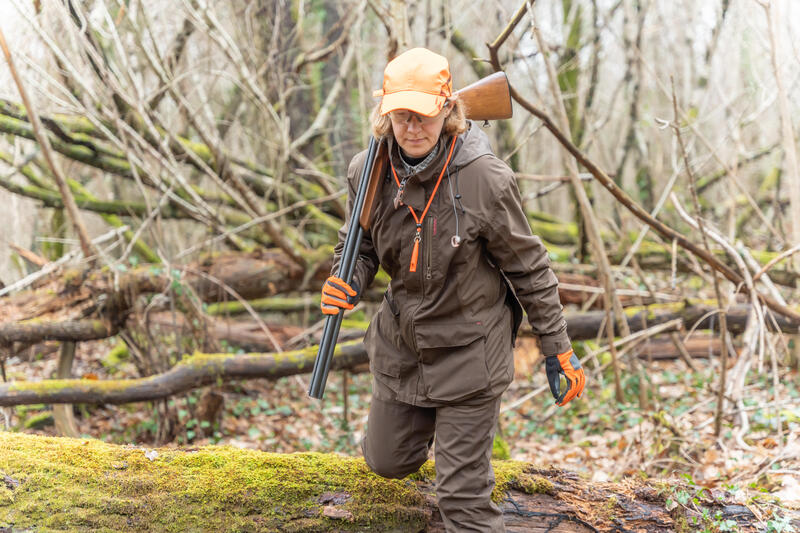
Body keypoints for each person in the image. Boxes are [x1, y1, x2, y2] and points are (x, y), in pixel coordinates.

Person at [320, 47, 586, 532]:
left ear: (448, 108)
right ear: (386, 112)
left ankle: (463, 461)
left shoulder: (484, 177)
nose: (412, 127)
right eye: (401, 115)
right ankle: (440, 442)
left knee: (461, 502)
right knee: (385, 462)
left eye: (423, 114)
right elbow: (357, 248)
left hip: (470, 352)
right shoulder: (368, 171)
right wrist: (347, 283)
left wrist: (558, 347)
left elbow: (530, 268)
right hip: (404, 348)